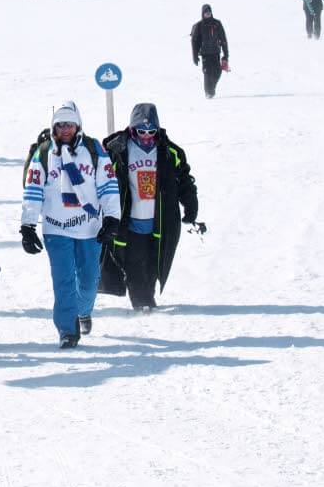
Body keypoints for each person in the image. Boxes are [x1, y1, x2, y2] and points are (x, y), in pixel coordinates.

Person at [19, 102, 120, 347]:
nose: (65, 129)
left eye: (70, 124)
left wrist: (112, 218)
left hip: (89, 227)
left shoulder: (94, 150)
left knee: (88, 278)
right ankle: (67, 330)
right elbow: (33, 190)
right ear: (54, 127)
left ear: (78, 125)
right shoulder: (43, 152)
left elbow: (107, 185)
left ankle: (83, 311)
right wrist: (28, 226)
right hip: (55, 228)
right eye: (60, 124)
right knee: (63, 280)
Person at [102, 104, 199, 311]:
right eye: (141, 131)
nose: (146, 136)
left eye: (151, 131)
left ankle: (147, 296)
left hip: (161, 221)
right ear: (131, 129)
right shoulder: (117, 149)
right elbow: (101, 180)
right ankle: (142, 301)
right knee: (134, 262)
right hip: (130, 220)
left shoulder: (169, 151)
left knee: (155, 263)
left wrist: (190, 205)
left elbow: (184, 180)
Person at [190, 4, 229, 99]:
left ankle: (211, 88)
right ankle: (208, 92)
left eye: (209, 13)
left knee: (218, 72)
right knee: (207, 73)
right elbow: (194, 42)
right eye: (205, 13)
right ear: (202, 14)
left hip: (215, 52)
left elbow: (223, 39)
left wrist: (225, 55)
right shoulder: (199, 26)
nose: (207, 14)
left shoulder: (217, 24)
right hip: (205, 54)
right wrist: (195, 56)